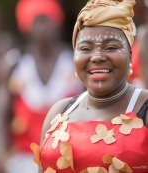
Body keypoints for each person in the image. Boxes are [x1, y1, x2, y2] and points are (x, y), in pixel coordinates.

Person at [30, 0, 148, 173]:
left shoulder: (144, 107)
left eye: (111, 47)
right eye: (86, 48)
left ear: (130, 55)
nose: (97, 57)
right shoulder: (59, 112)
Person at [1, 0, 84, 173]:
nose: (43, 28)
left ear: (58, 23)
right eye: (37, 21)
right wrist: (4, 153)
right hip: (23, 158)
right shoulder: (15, 63)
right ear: (26, 27)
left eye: (47, 20)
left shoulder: (75, 61)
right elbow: (3, 112)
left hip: (68, 157)